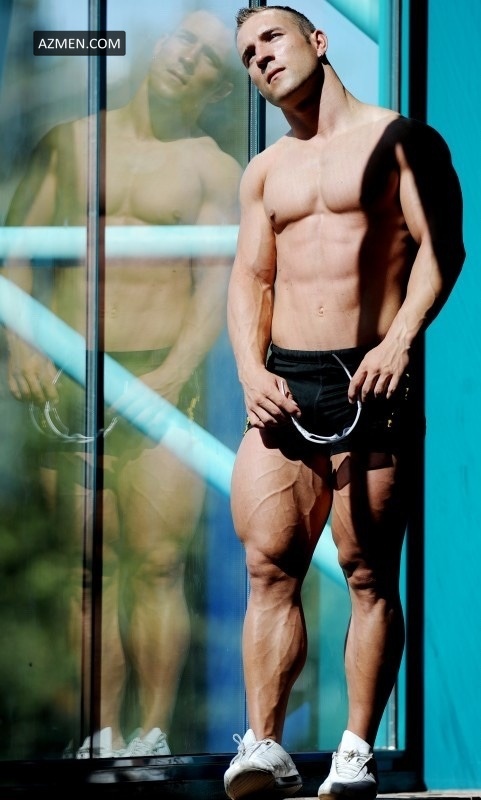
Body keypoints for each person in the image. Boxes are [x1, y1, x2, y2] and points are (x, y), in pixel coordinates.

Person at [224, 5, 464, 800]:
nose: (260, 59)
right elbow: (250, 278)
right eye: (247, 54)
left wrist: (398, 342)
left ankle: (355, 752)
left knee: (367, 572)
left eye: (271, 39)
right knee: (268, 566)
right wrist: (248, 371)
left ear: (317, 41)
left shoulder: (401, 139)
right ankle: (263, 747)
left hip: (372, 377)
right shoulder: (265, 171)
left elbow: (443, 247)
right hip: (285, 384)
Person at [3, 10, 241, 758]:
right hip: (69, 385)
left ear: (216, 88)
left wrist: (175, 372)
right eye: (183, 39)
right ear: (159, 44)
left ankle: (153, 734)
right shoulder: (70, 140)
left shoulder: (213, 169)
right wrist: (21, 343)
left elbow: (216, 285)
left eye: (209, 58)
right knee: (88, 572)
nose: (188, 58)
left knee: (159, 565)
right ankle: (97, 736)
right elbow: (15, 252)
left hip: (159, 386)